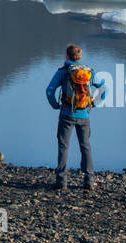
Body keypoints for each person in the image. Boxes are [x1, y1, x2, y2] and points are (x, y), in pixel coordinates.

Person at [45, 44, 105, 190]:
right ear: (80, 56)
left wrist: (55, 105)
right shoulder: (89, 72)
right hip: (84, 114)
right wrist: (95, 103)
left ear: (67, 56)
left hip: (66, 113)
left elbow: (49, 90)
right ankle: (89, 180)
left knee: (63, 146)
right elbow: (104, 88)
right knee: (85, 146)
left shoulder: (64, 72)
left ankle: (61, 181)